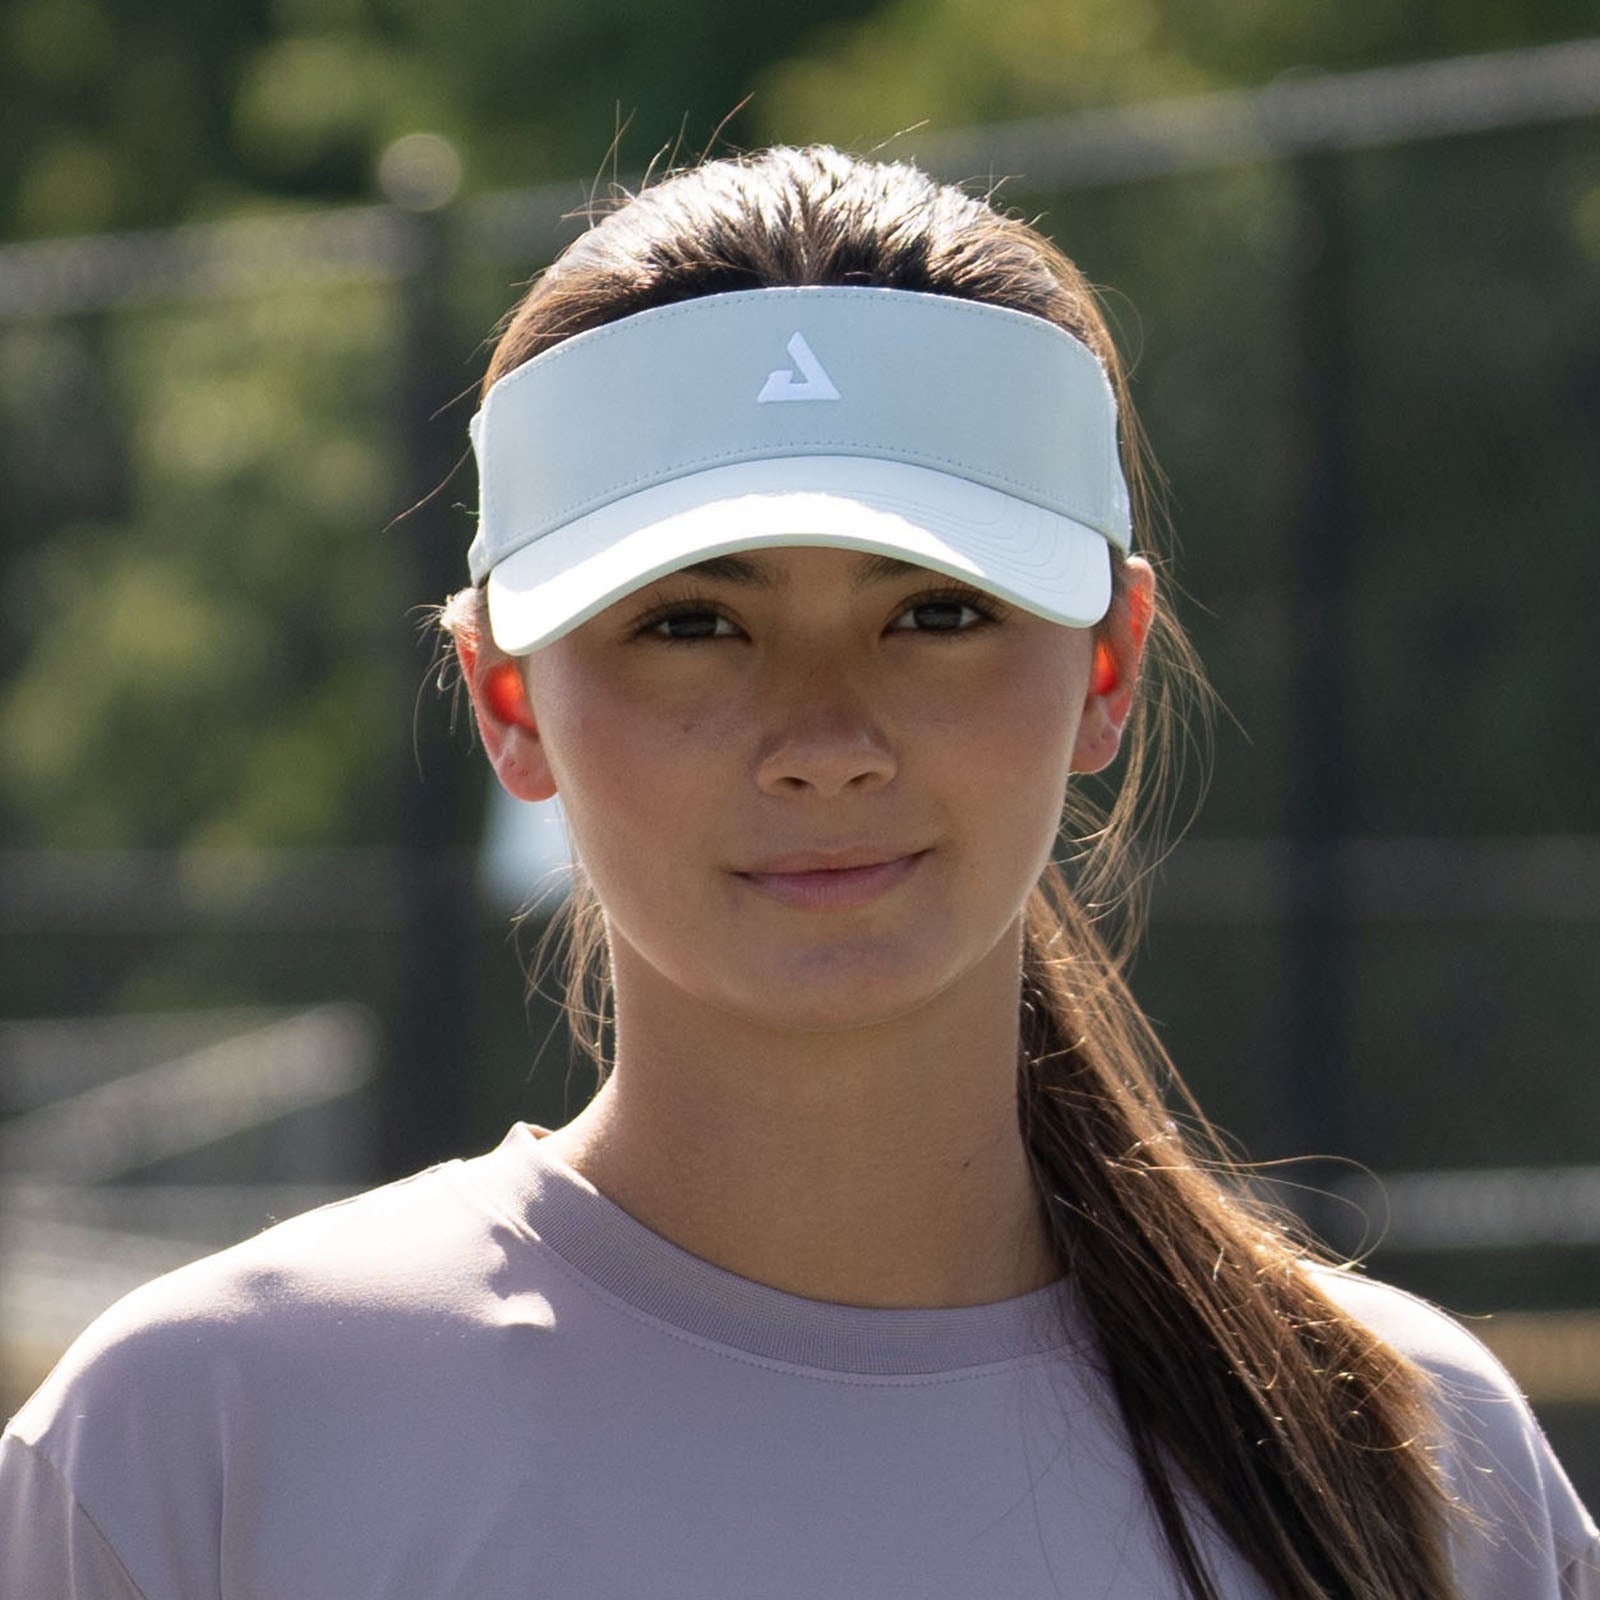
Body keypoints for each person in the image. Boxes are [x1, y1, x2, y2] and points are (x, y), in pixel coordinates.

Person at [1, 145, 1595, 1600]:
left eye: (939, 611)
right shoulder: (204, 1445)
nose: (824, 738)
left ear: (1108, 664)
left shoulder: (1413, 1459)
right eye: (694, 623)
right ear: (509, 702)